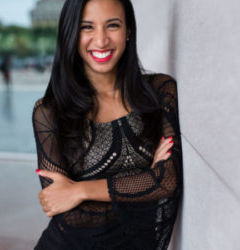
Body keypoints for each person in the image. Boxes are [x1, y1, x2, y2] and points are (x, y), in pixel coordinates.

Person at [32, 0, 183, 249]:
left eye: (112, 25)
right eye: (87, 27)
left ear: (129, 30)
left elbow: (166, 181)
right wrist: (144, 183)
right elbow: (64, 209)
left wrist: (80, 191)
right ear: (71, 33)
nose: (101, 41)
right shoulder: (49, 112)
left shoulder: (160, 90)